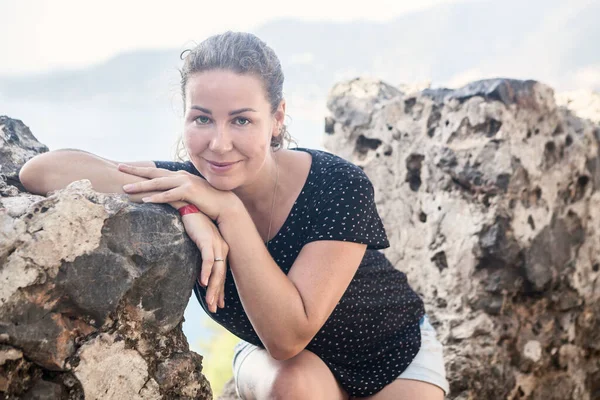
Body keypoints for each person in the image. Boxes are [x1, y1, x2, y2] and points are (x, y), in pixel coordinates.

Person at [19, 31, 449, 399]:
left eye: (241, 121)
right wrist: (189, 205)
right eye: (202, 119)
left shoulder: (337, 184)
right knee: (294, 383)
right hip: (283, 366)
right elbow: (42, 171)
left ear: (276, 118)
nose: (219, 144)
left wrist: (226, 211)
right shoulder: (187, 185)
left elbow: (292, 327)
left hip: (394, 353)